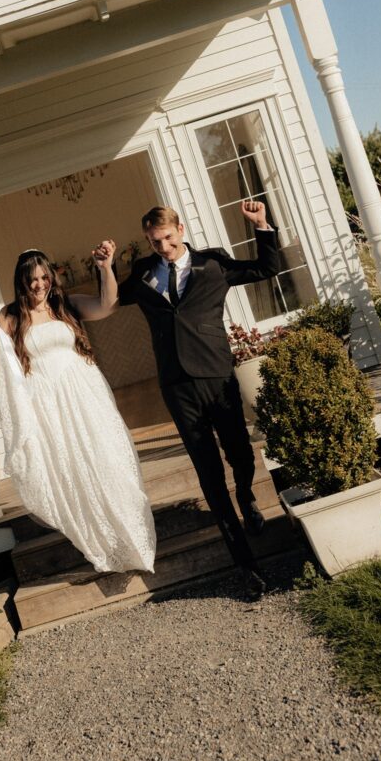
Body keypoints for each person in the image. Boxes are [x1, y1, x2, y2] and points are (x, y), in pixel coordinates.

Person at [117, 201, 280, 599]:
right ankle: (247, 566)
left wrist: (262, 226)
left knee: (240, 454)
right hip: (177, 386)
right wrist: (104, 268)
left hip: (216, 375)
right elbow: (109, 301)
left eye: (169, 239)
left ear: (181, 230)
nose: (164, 248)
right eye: (155, 242)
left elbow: (265, 268)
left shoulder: (213, 264)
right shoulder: (141, 273)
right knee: (208, 472)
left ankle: (246, 493)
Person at [0, 242, 156, 575]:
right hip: (46, 404)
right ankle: (100, 542)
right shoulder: (10, 315)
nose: (39, 285)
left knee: (104, 459)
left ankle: (129, 539)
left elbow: (107, 305)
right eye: (32, 279)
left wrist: (105, 267)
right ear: (21, 281)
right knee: (70, 468)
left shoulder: (66, 304)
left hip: (84, 396)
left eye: (44, 277)